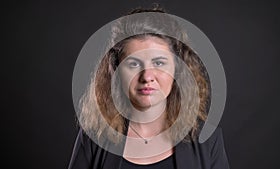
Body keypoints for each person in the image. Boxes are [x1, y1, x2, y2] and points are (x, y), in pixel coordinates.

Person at [68, 6, 230, 169]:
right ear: (114, 69)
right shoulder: (94, 138)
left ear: (178, 69)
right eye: (133, 64)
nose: (147, 77)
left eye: (159, 63)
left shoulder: (207, 139)